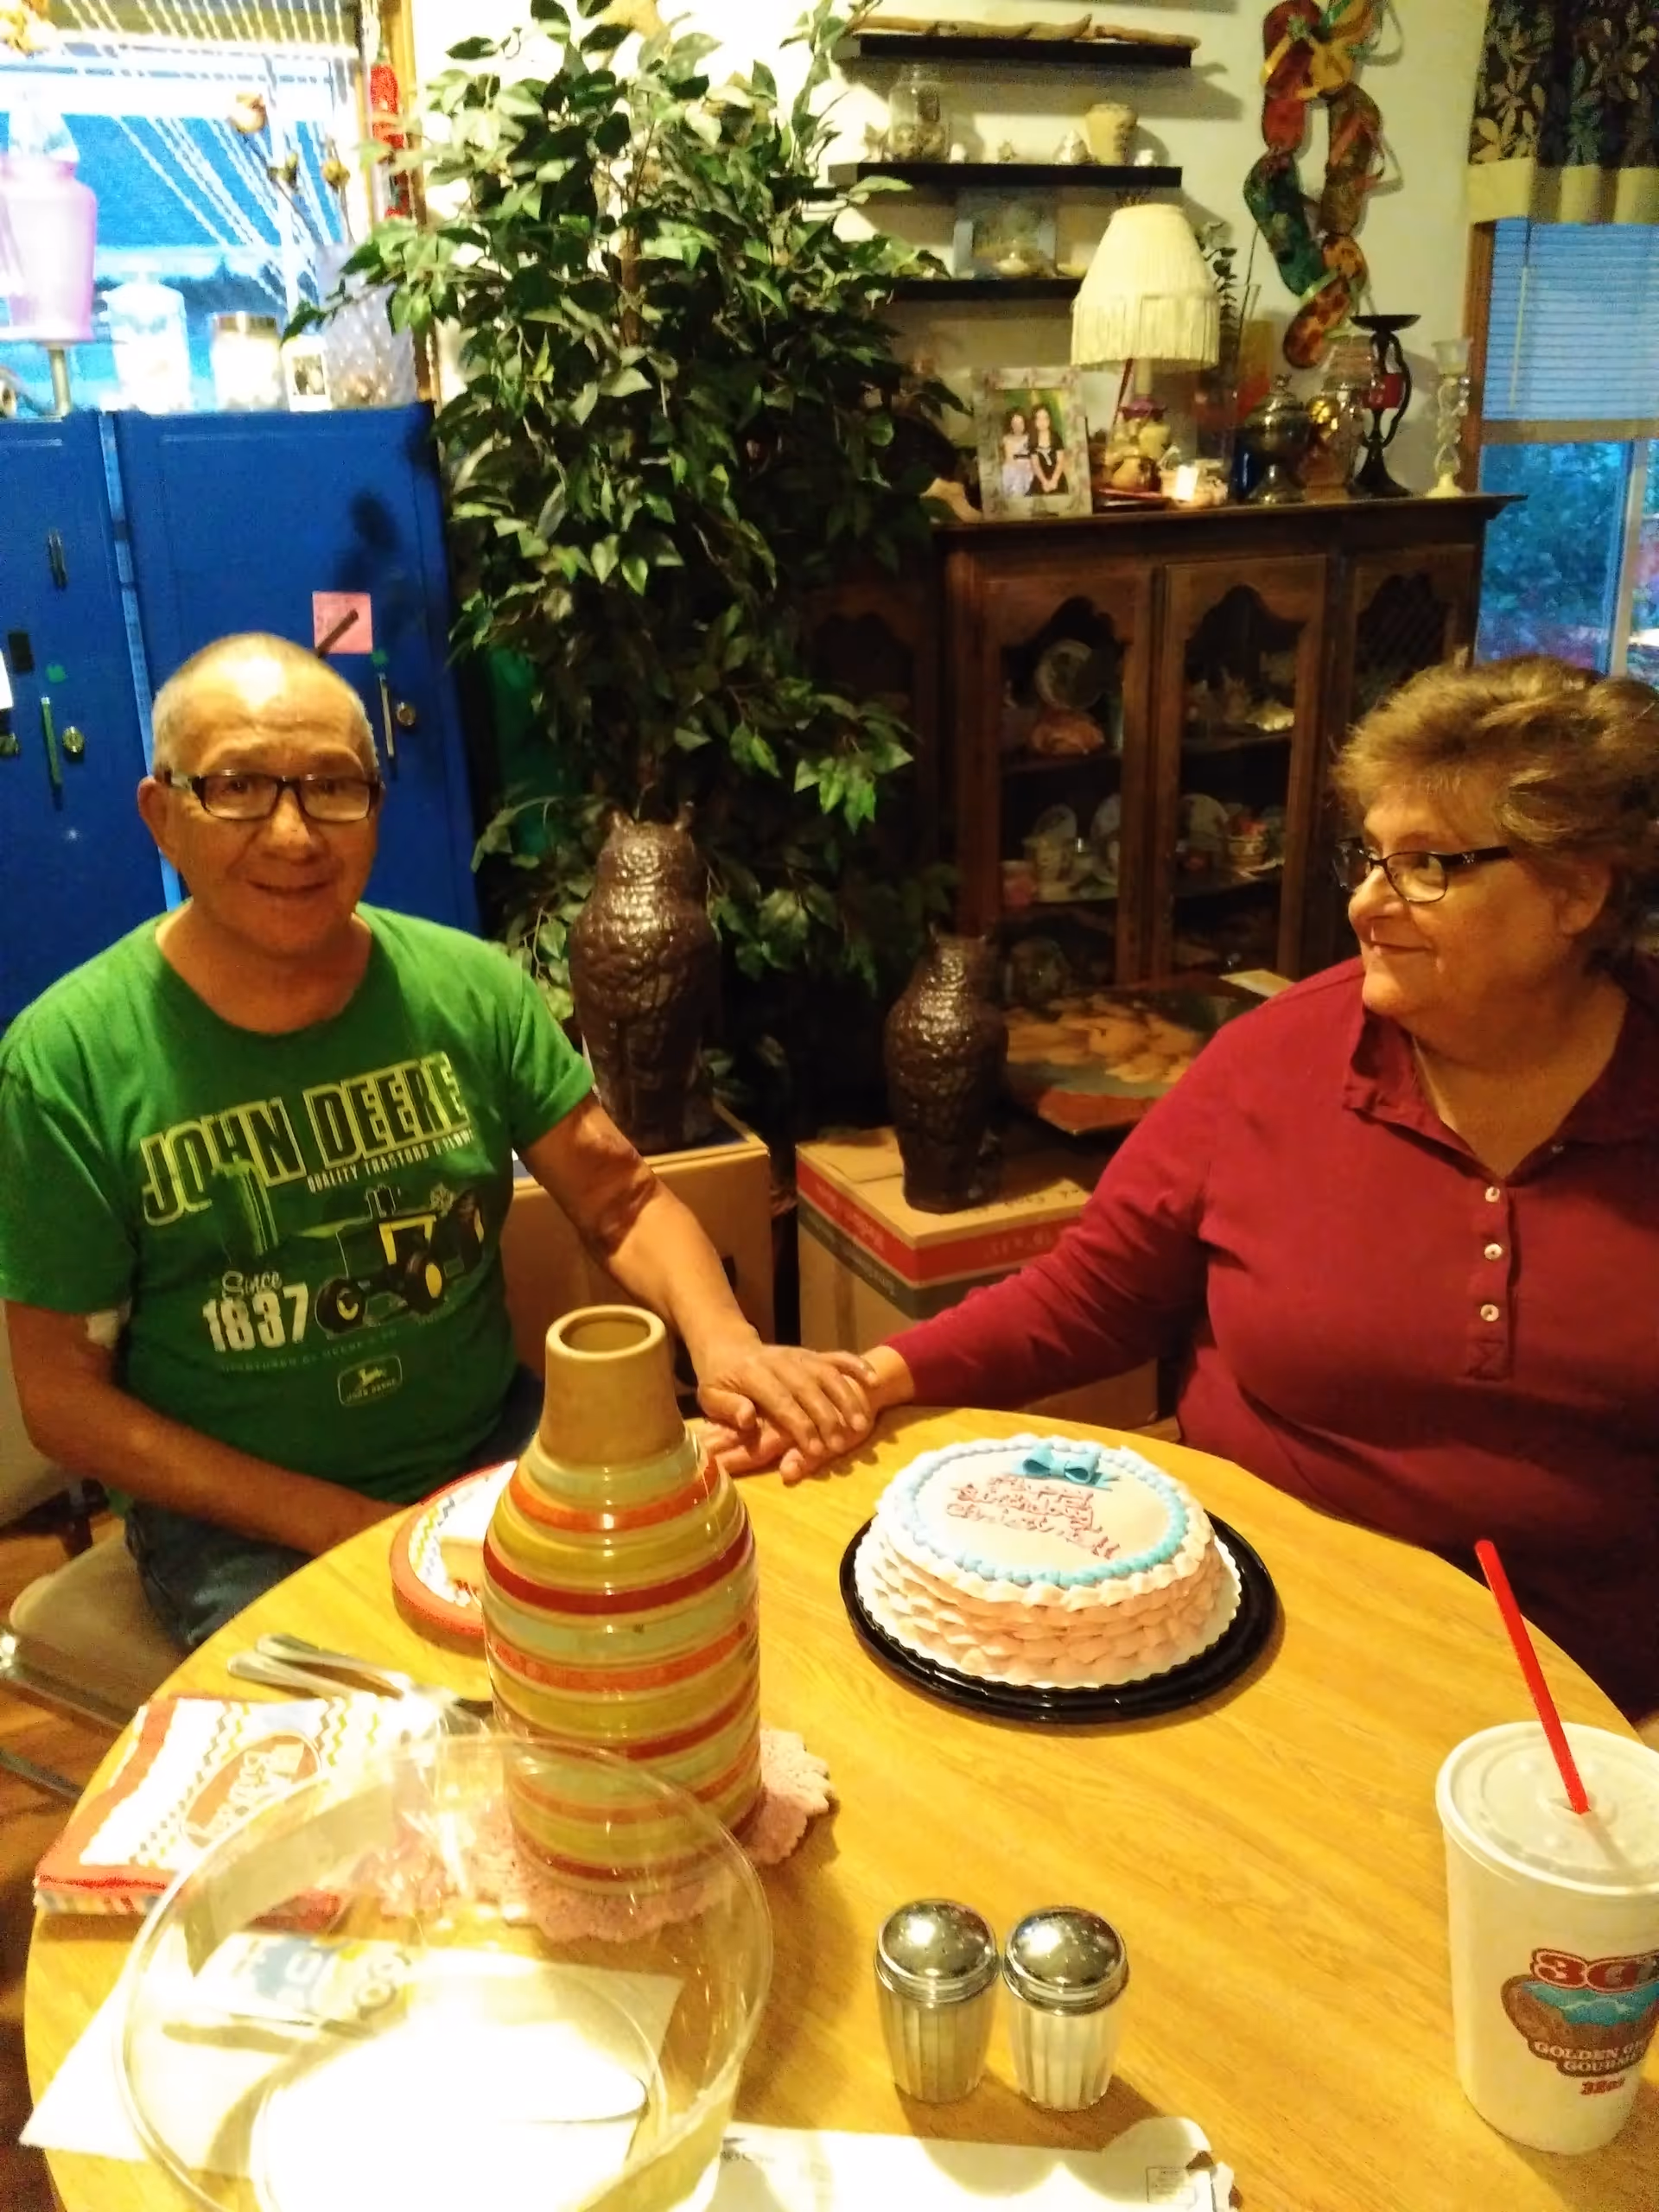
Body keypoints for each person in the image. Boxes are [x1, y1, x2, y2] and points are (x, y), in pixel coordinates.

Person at [713, 657, 1659, 1729]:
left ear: (1579, 890)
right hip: (1247, 1649)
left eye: (1429, 866)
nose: (1365, 905)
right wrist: (868, 1379)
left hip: (1586, 1714)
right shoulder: (1274, 1058)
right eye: (1371, 859)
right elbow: (1091, 1295)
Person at [0, 633, 873, 1648]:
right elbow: (65, 1404)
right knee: (405, 1759)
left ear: (375, 807)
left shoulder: (469, 988)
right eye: (237, 786)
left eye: (333, 787)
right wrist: (359, 1531)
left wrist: (723, 1342)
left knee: (706, 1616)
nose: (292, 835)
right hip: (239, 1524)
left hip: (495, 1445)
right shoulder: (66, 1060)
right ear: (163, 816)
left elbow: (622, 1200)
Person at [1027, 404, 1069, 497]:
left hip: (1057, 477)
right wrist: (1044, 482)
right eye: (1039, 418)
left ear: (1049, 420)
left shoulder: (1055, 436)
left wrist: (1054, 480)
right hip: (1040, 478)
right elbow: (1035, 465)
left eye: (1045, 418)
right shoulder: (1032, 439)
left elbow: (1060, 461)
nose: (1042, 422)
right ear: (1034, 421)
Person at [1001, 409, 1032, 500]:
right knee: (1013, 472)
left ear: (1025, 423)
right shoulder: (1007, 439)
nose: (1018, 427)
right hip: (1013, 467)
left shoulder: (1029, 437)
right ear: (1010, 425)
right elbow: (1010, 459)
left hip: (1028, 466)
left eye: (1021, 423)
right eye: (1015, 424)